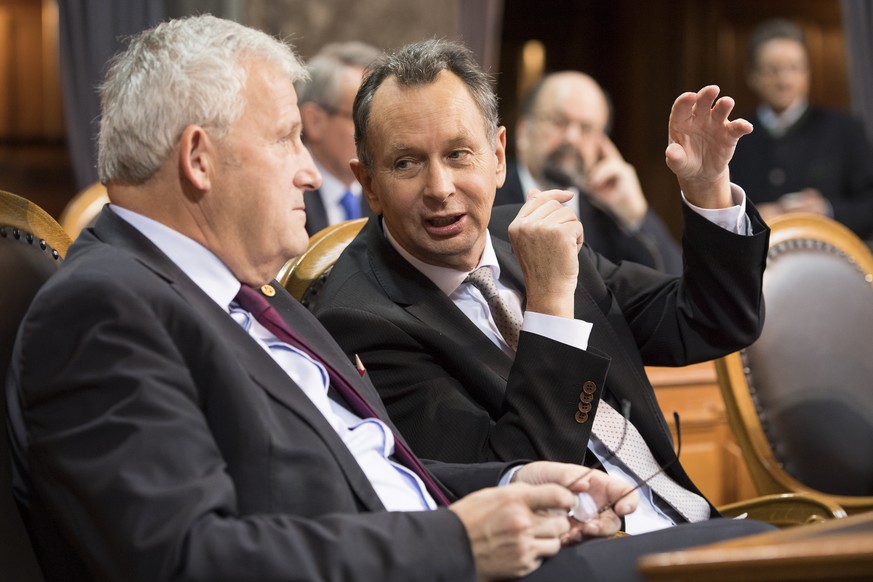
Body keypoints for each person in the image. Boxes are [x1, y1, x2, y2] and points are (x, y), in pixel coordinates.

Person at [4, 15, 773, 582]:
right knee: (765, 556)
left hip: (520, 536)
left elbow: (377, 471)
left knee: (762, 547)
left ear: (498, 157)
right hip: (461, 566)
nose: (311, 173)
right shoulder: (108, 307)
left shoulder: (248, 299)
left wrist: (510, 487)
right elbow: (182, 559)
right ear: (200, 160)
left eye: (458, 155)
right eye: (285, 139)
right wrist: (462, 541)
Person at [312, 39, 772, 536]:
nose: (440, 187)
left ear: (498, 157)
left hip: (685, 519)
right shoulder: (358, 317)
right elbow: (514, 494)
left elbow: (713, 321)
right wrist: (552, 306)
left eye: (459, 153)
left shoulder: (524, 236)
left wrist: (708, 188)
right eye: (406, 163)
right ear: (369, 184)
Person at [494, 71, 683, 273]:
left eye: (587, 128)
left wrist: (636, 216)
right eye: (558, 121)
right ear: (524, 131)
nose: (572, 137)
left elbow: (674, 288)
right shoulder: (489, 198)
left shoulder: (607, 215)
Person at [729, 17, 873, 239]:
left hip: (831, 259)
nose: (784, 81)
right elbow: (718, 211)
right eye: (773, 70)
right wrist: (752, 216)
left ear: (807, 73)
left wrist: (826, 210)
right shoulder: (734, 137)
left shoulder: (844, 129)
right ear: (753, 76)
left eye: (794, 68)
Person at [297, 41, 382, 236]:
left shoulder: (385, 192)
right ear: (314, 121)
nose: (375, 132)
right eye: (361, 119)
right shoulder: (285, 194)